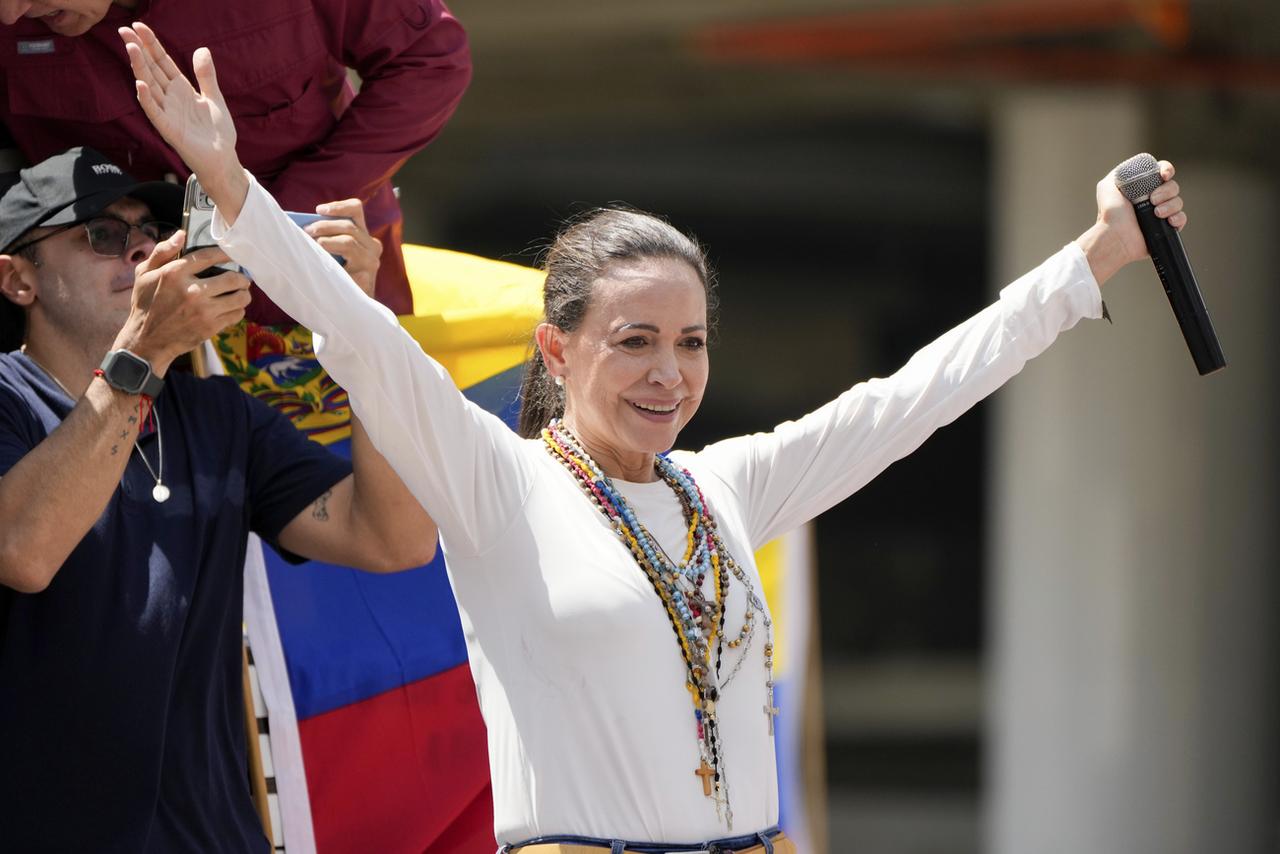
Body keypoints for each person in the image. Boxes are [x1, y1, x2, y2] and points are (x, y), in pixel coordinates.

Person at [119, 22, 1190, 854]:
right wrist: (231, 184)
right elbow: (360, 339)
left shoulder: (727, 484)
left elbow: (914, 396)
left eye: (689, 341)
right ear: (554, 349)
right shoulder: (499, 484)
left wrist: (1091, 259)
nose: (667, 372)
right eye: (633, 341)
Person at [0, 146, 439, 852]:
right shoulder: (6, 399)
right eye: (102, 235)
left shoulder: (217, 413)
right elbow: (23, 552)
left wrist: (360, 328)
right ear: (19, 279)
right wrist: (144, 355)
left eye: (150, 232)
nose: (140, 250)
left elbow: (395, 540)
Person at [0, 0, 471, 324]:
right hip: (140, 345)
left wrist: (272, 223)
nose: (10, 13)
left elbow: (429, 57)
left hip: (327, 298)